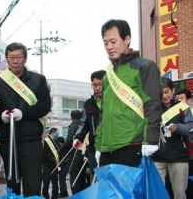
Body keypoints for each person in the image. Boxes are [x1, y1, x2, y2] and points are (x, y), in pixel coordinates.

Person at [94, 19, 163, 167]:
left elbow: (152, 105)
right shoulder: (107, 76)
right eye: (106, 43)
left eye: (113, 41)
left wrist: (150, 140)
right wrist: (98, 145)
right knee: (109, 190)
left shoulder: (145, 66)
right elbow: (103, 113)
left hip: (132, 144)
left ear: (127, 39)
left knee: (130, 190)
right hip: (107, 148)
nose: (109, 47)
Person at [0, 42, 51, 197]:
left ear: (25, 59)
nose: (15, 61)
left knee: (32, 183)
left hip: (31, 140)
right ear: (6, 60)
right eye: (11, 57)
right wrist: (1, 116)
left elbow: (45, 106)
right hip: (8, 140)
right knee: (12, 183)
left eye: (19, 57)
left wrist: (24, 113)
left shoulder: (39, 80)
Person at [152, 80, 193, 199]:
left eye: (167, 92)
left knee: (179, 193)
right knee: (157, 192)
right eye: (161, 93)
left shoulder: (182, 107)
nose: (164, 96)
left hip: (178, 156)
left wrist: (177, 127)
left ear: (173, 91)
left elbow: (190, 126)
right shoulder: (153, 108)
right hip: (157, 156)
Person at [73, 70, 106, 182]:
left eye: (100, 84)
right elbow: (83, 123)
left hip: (111, 148)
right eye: (94, 85)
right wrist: (78, 138)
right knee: (95, 181)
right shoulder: (88, 104)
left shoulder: (113, 101)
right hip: (93, 149)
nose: (97, 88)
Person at [58, 110, 87, 195]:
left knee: (74, 181)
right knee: (82, 180)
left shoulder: (73, 126)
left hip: (74, 156)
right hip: (83, 155)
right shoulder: (84, 126)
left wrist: (59, 151)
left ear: (71, 118)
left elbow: (69, 141)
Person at [175, 88, 193, 199]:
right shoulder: (175, 113)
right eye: (177, 99)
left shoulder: (189, 112)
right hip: (182, 154)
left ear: (189, 100)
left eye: (181, 99)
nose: (179, 102)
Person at [42, 127, 60, 199]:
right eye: (56, 133)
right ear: (53, 132)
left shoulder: (56, 142)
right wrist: (52, 159)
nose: (57, 134)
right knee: (46, 182)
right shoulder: (46, 141)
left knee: (55, 182)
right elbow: (44, 153)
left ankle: (55, 196)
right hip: (47, 164)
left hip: (54, 165)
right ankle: (45, 196)